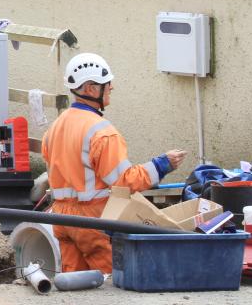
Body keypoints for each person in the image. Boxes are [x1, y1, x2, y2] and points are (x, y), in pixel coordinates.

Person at [41, 53, 187, 273]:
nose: (112, 87)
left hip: (61, 218)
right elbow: (123, 182)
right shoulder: (102, 132)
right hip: (92, 221)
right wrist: (161, 165)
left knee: (76, 285)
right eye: (106, 83)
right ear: (90, 88)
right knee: (112, 284)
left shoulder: (55, 127)